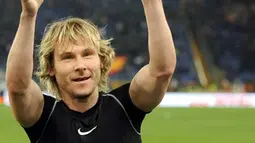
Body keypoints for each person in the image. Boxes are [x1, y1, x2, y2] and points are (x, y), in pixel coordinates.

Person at [5, 0, 176, 143]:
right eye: (68, 57)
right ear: (51, 68)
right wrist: (28, 15)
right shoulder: (43, 116)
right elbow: (18, 88)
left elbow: (161, 71)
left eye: (87, 54)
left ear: (101, 61)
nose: (80, 65)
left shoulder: (125, 106)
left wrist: (152, 3)